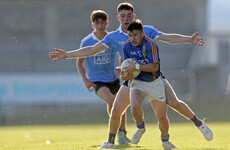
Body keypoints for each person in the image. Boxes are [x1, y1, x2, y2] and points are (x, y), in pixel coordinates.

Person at [49, 2, 213, 149]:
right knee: (116, 110)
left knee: (174, 102)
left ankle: (199, 124)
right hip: (133, 79)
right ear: (118, 18)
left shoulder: (145, 30)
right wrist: (67, 55)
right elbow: (91, 50)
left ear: (133, 16)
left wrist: (188, 40)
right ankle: (110, 142)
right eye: (122, 16)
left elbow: (167, 38)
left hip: (152, 75)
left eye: (129, 15)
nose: (126, 18)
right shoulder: (113, 37)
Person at [121, 19, 177, 149]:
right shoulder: (126, 46)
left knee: (162, 118)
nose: (132, 38)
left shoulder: (150, 44)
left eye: (135, 34)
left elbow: (154, 68)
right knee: (134, 107)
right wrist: (124, 74)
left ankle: (165, 141)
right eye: (130, 35)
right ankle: (140, 127)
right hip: (138, 82)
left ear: (142, 33)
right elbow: (125, 67)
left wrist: (135, 66)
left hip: (154, 82)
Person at [76, 10, 130, 144]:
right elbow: (79, 62)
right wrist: (86, 81)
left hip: (113, 78)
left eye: (102, 23)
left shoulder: (111, 38)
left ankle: (122, 132)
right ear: (92, 24)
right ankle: (119, 133)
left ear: (107, 23)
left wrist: (121, 68)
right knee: (112, 101)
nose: (100, 26)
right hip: (97, 81)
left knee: (120, 104)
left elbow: (123, 54)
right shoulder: (87, 41)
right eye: (97, 23)